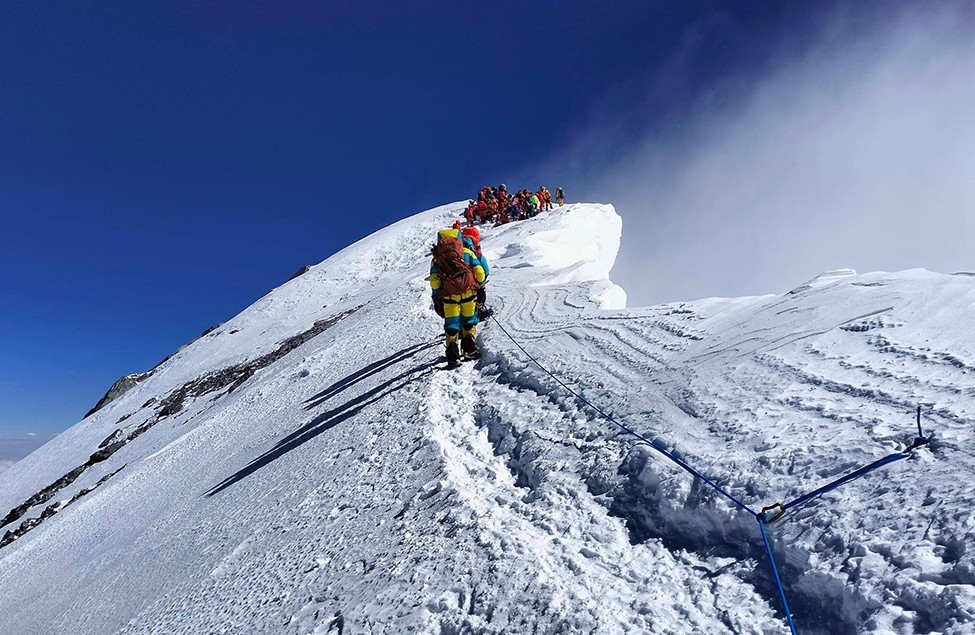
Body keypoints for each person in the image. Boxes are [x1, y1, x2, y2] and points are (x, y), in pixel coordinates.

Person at [430, 228, 488, 364]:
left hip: (449, 297)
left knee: (451, 324)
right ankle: (470, 351)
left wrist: (437, 295)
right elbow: (479, 272)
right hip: (468, 294)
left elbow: (434, 281)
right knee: (469, 321)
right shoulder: (467, 253)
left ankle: (452, 355)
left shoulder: (436, 259)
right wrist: (479, 286)